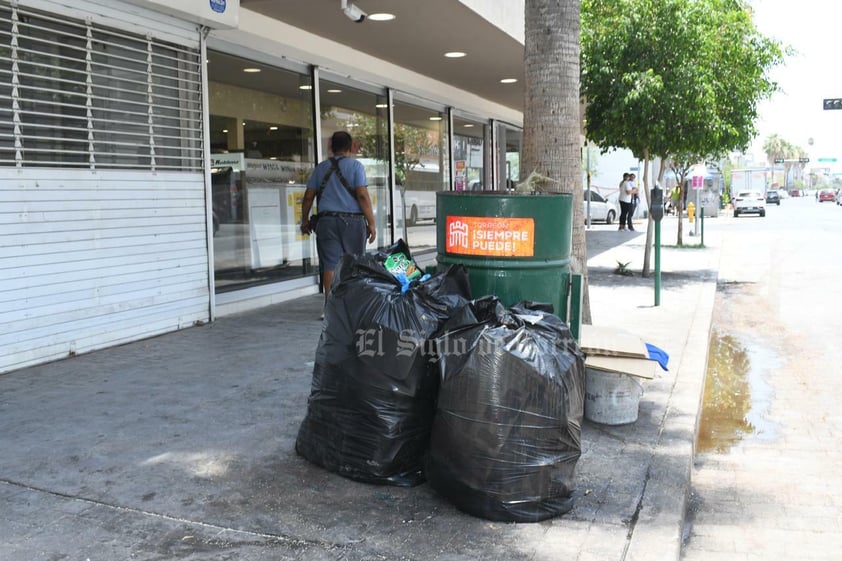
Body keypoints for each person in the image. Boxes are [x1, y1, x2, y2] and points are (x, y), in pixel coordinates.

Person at [300, 131, 376, 312]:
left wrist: (304, 220)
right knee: (354, 263)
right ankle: (353, 306)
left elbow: (309, 196)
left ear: (332, 147)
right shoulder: (356, 167)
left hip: (326, 221)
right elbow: (362, 195)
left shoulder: (321, 168)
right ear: (350, 147)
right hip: (352, 222)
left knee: (330, 264)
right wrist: (371, 223)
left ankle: (331, 308)